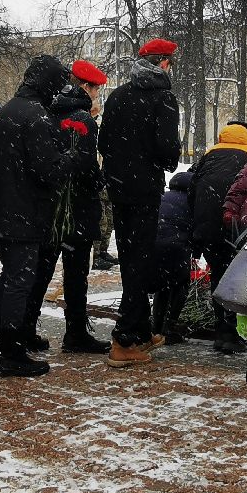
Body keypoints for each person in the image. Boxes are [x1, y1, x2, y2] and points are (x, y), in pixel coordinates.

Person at [0, 55, 72, 377]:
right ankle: (11, 350)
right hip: (23, 212)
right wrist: (71, 156)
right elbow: (47, 170)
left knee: (11, 276)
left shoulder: (12, 109)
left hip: (3, 210)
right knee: (19, 282)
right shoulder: (36, 116)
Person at [98, 38, 182, 367]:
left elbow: (104, 141)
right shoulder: (163, 99)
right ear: (162, 64)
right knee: (139, 264)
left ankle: (141, 331)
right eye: (170, 63)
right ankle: (124, 340)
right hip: (145, 190)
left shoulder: (119, 96)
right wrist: (162, 159)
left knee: (131, 258)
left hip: (120, 190)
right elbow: (166, 149)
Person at [29, 59, 112, 355]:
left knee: (43, 269)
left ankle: (26, 326)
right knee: (76, 274)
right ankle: (75, 332)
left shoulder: (48, 113)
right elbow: (87, 167)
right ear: (85, 88)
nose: (98, 96)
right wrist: (98, 181)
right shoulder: (84, 120)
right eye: (96, 90)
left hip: (51, 207)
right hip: (77, 208)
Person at [188, 122, 247, 354]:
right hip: (235, 225)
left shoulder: (210, 155)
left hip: (207, 224)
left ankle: (223, 331)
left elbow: (192, 188)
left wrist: (198, 226)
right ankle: (235, 333)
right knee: (238, 278)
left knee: (219, 274)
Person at [150, 170, 196, 344]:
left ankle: (156, 327)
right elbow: (195, 229)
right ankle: (169, 329)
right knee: (180, 286)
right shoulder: (192, 201)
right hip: (177, 247)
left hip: (154, 244)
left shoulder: (163, 197)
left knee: (162, 286)